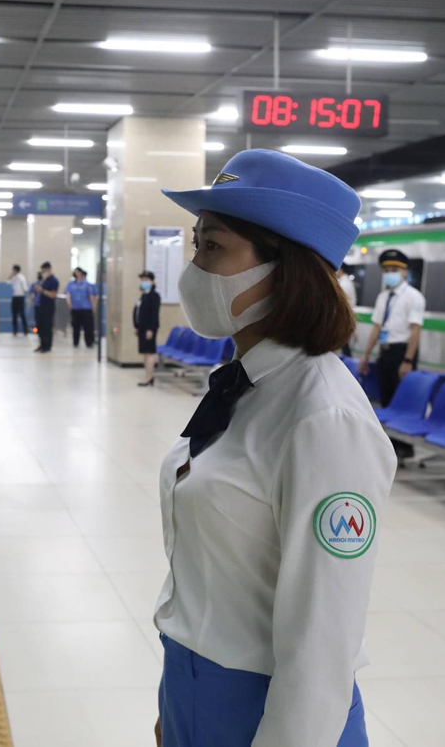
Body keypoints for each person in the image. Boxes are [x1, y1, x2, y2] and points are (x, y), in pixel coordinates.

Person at [150, 149, 394, 747]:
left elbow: (323, 639)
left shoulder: (324, 417)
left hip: (272, 713)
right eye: (196, 244)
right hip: (192, 685)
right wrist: (176, 700)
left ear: (283, 271)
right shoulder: (245, 385)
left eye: (214, 247)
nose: (194, 267)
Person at [358, 249, 425, 408]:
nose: (390, 274)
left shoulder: (414, 297)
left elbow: (415, 330)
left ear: (405, 272)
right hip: (384, 352)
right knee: (385, 397)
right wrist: (366, 355)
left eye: (395, 270)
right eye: (386, 271)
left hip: (401, 353)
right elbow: (377, 327)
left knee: (402, 400)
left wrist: (408, 360)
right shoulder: (382, 297)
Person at [134, 270, 161, 386]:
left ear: (152, 282)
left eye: (146, 280)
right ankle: (148, 376)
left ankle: (149, 377)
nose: (143, 282)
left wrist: (150, 329)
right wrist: (137, 326)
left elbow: (154, 314)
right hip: (142, 328)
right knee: (145, 353)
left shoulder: (154, 296)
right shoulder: (144, 295)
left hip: (149, 329)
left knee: (149, 353)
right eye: (142, 280)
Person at [66, 267, 98, 348]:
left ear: (80, 273)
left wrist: (93, 307)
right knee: (75, 327)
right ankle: (75, 342)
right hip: (75, 309)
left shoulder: (87, 285)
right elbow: (68, 295)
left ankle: (89, 342)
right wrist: (70, 305)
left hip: (86, 308)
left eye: (77, 272)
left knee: (88, 327)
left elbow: (90, 296)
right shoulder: (71, 284)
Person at [33, 261, 59, 353]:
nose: (43, 273)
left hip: (48, 307)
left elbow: (53, 295)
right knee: (40, 326)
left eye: (44, 271)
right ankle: (42, 344)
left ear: (48, 269)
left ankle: (47, 346)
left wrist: (42, 291)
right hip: (41, 306)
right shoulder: (44, 281)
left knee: (47, 327)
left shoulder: (53, 281)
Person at [337, 265, 358, 357]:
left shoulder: (343, 284)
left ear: (340, 270)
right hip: (345, 319)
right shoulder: (346, 282)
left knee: (343, 347)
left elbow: (339, 305)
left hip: (342, 320)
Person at [9, 264, 29, 336]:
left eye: (13, 270)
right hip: (15, 297)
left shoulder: (21, 278)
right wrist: (11, 276)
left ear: (16, 270)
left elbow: (25, 288)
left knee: (22, 314)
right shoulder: (14, 278)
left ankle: (25, 330)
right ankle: (15, 330)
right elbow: (9, 281)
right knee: (14, 314)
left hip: (20, 297)